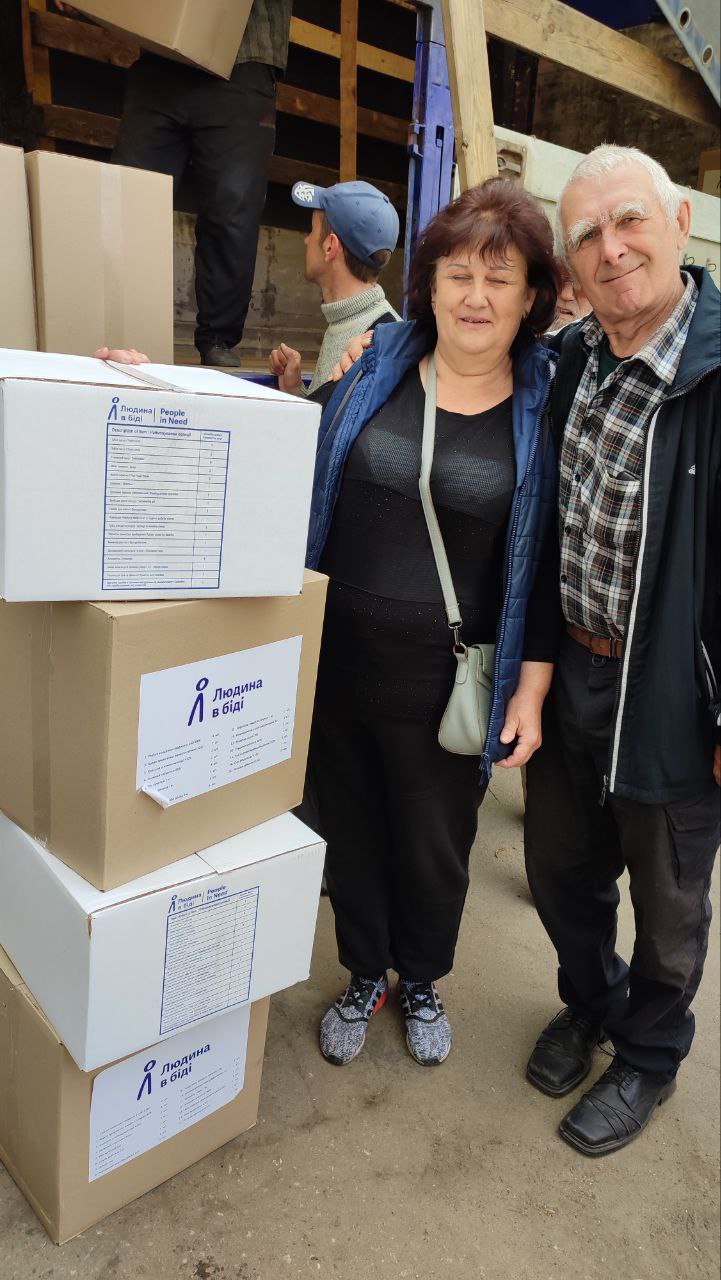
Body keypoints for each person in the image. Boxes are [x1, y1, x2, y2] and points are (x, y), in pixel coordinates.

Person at [305, 179, 561, 1069]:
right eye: (458, 274)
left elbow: (546, 566)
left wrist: (531, 687)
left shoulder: (541, 407)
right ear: (430, 285)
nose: (474, 296)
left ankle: (418, 977)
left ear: (530, 297)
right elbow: (287, 451)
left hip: (444, 685)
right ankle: (362, 972)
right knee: (350, 831)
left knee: (433, 848)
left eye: (499, 277)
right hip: (338, 668)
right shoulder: (370, 368)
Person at [522, 145, 720, 1157]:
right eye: (587, 235)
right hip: (570, 665)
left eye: (630, 220)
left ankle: (648, 1053)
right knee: (560, 867)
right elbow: (450, 354)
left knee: (669, 896)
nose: (611, 249)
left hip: (677, 687)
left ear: (680, 222)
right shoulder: (568, 361)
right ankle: (591, 1001)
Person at [68, 0, 293, 368]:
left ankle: (218, 337)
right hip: (162, 53)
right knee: (131, 199)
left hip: (243, 60)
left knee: (232, 211)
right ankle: (121, 327)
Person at [268, 180, 401, 395]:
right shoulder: (348, 321)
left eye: (312, 231)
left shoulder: (380, 344)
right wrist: (294, 389)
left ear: (330, 246)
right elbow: (343, 417)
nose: (306, 240)